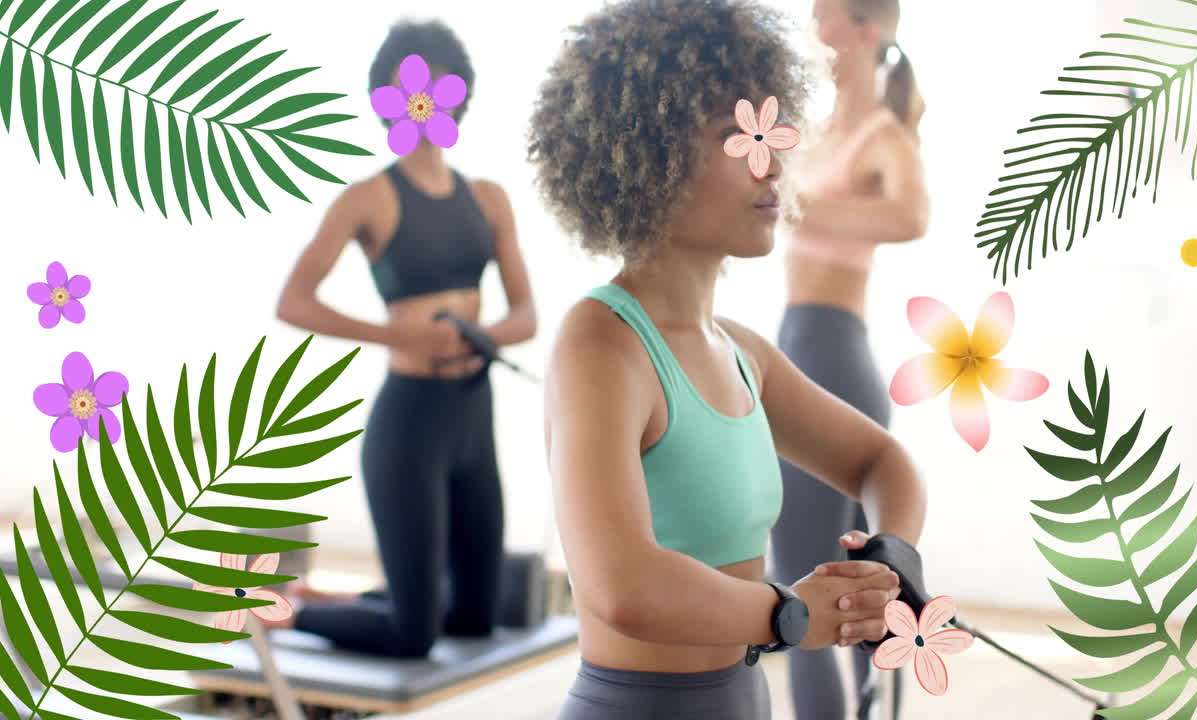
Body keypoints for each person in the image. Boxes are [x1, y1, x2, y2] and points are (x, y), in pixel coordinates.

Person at [526, 1, 927, 717]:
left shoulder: (742, 352)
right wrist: (790, 612)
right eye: (735, 136)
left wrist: (891, 554)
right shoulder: (600, 343)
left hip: (743, 698)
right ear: (647, 155)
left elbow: (882, 462)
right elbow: (622, 587)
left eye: (773, 129)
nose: (772, 161)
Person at [270, 19, 537, 657]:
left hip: (473, 420)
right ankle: (285, 614)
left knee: (475, 618)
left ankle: (340, 598)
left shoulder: (491, 198)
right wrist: (398, 334)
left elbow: (526, 315)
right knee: (413, 635)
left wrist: (478, 335)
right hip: (408, 427)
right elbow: (293, 301)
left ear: (456, 95)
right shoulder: (367, 198)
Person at [770, 0, 930, 717]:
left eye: (825, 15)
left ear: (869, 32)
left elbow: (911, 215)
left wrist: (802, 206)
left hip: (833, 353)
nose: (814, 29)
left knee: (808, 583)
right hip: (794, 340)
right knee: (816, 582)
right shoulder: (817, 131)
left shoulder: (881, 135)